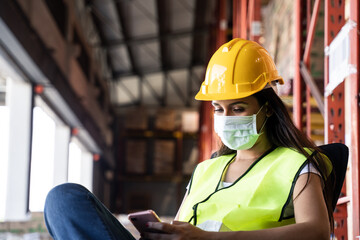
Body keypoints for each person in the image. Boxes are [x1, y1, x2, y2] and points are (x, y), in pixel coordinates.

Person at [44, 38, 334, 240]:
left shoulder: (297, 164)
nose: (227, 117)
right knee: (64, 199)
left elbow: (317, 233)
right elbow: (181, 227)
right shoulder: (206, 170)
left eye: (238, 107)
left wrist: (209, 239)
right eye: (219, 109)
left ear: (267, 108)